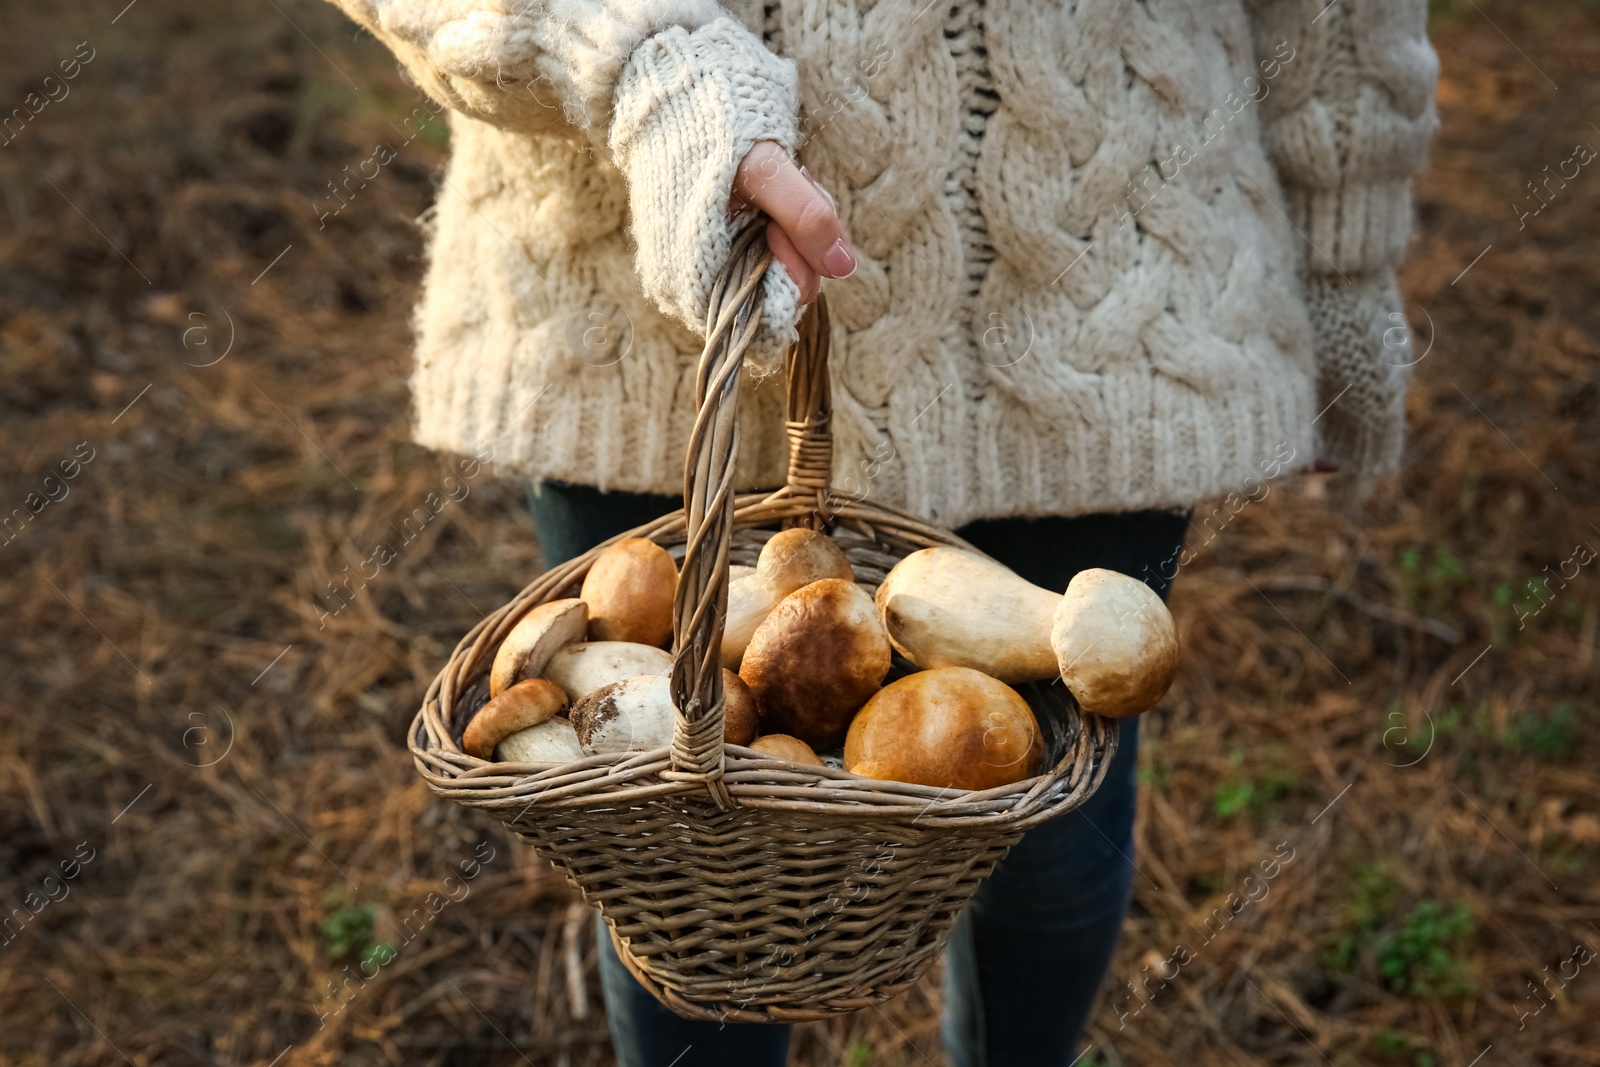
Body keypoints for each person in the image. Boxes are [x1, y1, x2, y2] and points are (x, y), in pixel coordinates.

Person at [325, 0, 1438, 1063]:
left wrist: (1345, 269)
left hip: (1092, 281)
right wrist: (635, 59)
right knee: (676, 835)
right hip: (644, 293)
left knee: (1046, 832)